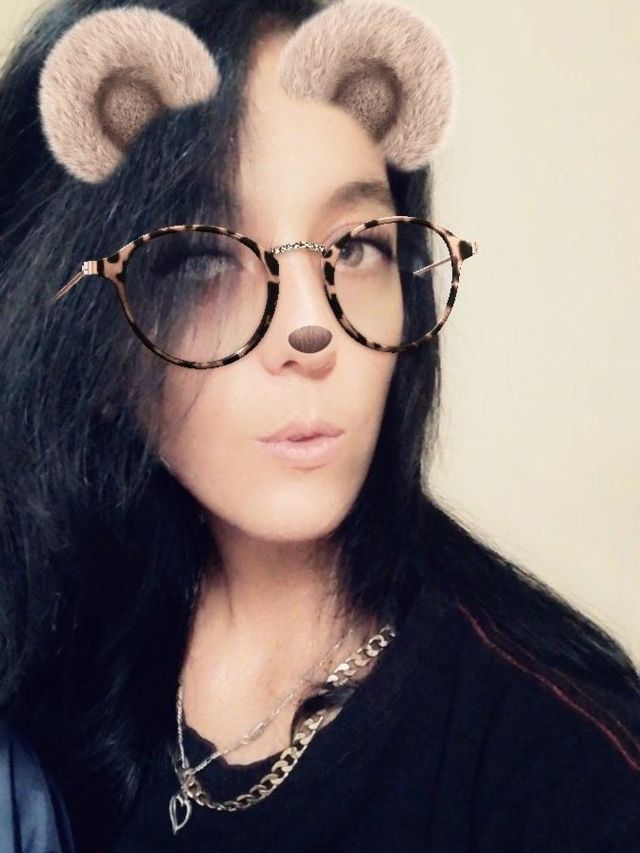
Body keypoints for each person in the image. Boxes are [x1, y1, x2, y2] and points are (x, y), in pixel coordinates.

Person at [0, 1, 638, 851]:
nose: (313, 330)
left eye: (355, 247)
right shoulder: (59, 633)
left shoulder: (562, 769)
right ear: (93, 343)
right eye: (202, 258)